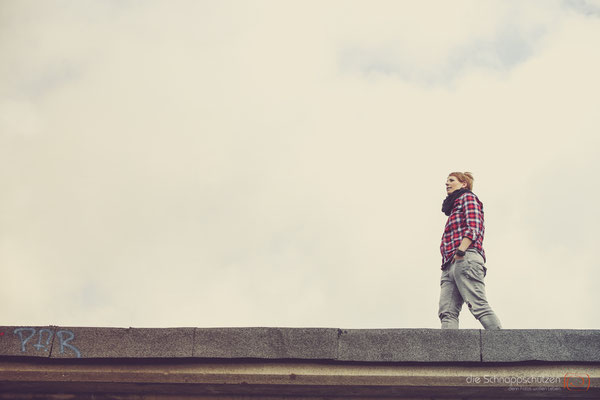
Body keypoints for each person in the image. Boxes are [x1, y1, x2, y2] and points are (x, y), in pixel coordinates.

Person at [438, 172, 502, 329]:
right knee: (447, 312)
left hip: (465, 257)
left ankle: (503, 347)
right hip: (449, 265)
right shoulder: (453, 208)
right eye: (446, 181)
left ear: (463, 184)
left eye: (451, 180)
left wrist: (461, 251)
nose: (447, 183)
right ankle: (448, 352)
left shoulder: (467, 198)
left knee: (479, 306)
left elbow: (474, 226)